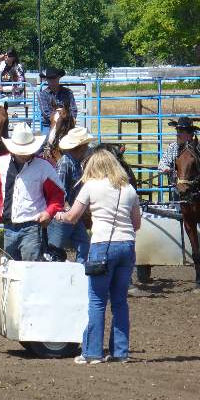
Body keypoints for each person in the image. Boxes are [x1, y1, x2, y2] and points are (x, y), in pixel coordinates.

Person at [55, 148, 141, 364]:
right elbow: (136, 224)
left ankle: (92, 352)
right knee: (120, 301)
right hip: (127, 246)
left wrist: (59, 215)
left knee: (97, 301)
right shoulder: (128, 188)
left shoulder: (90, 187)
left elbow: (73, 217)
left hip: (102, 245)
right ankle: (120, 352)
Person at [0, 122, 64, 261]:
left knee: (30, 270)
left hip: (32, 227)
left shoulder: (44, 167)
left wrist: (48, 212)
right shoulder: (1, 163)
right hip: (9, 228)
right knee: (12, 271)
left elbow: (58, 196)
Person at [47, 127, 96, 263]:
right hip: (62, 216)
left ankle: (80, 273)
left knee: (84, 245)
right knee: (56, 252)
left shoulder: (74, 163)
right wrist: (70, 211)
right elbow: (59, 191)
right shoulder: (65, 163)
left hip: (71, 215)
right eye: (86, 146)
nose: (88, 149)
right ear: (81, 147)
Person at [158, 117, 199, 188]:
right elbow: (162, 164)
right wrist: (165, 168)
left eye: (181, 132)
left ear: (190, 133)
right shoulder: (172, 147)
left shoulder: (198, 148)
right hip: (176, 188)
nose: (178, 134)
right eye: (177, 131)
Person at [37, 67, 78, 135]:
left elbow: (73, 109)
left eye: (54, 78)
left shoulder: (68, 92)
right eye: (50, 79)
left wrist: (72, 119)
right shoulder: (43, 95)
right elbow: (46, 113)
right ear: (47, 79)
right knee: (46, 141)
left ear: (59, 77)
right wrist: (58, 120)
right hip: (49, 125)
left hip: (67, 124)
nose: (52, 81)